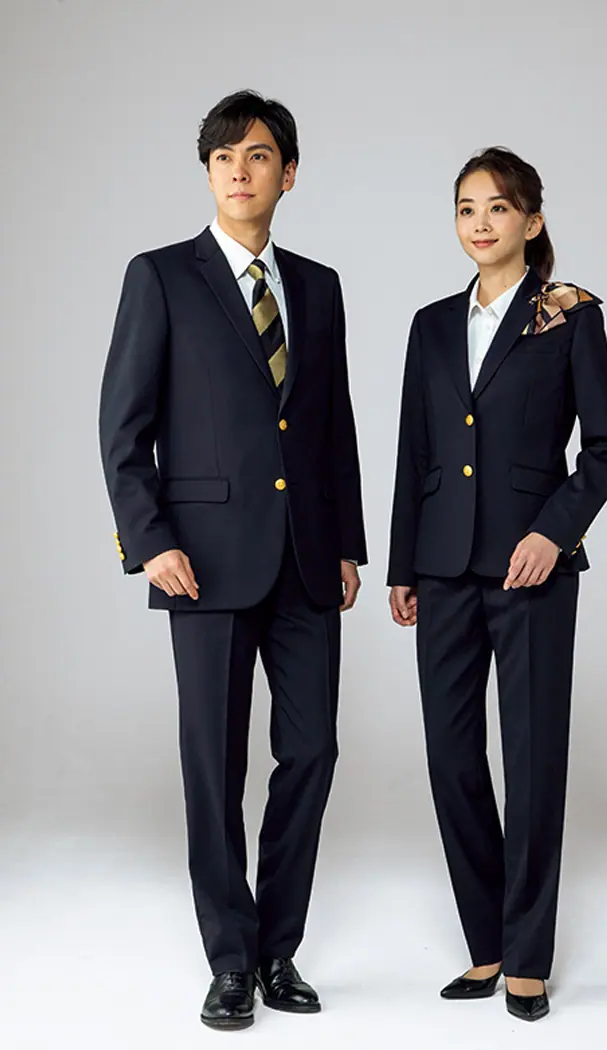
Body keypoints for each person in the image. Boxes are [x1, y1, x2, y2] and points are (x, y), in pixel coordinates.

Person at [99, 90, 367, 1031]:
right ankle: (229, 960)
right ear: (208, 173)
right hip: (202, 564)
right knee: (214, 766)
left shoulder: (319, 286)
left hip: (306, 562)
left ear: (287, 174)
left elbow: (332, 426)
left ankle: (277, 949)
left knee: (313, 750)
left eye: (257, 156)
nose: (239, 171)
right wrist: (150, 541)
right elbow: (123, 428)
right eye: (223, 158)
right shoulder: (161, 277)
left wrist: (347, 543)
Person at [387, 147, 607, 1022]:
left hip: (532, 569)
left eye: (497, 207)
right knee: (451, 758)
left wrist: (553, 533)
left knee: (530, 764)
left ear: (532, 219)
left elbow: (606, 448)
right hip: (444, 570)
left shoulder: (569, 315)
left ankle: (527, 959)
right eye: (466, 208)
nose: (480, 222)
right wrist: (403, 565)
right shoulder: (428, 324)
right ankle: (486, 941)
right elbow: (415, 451)